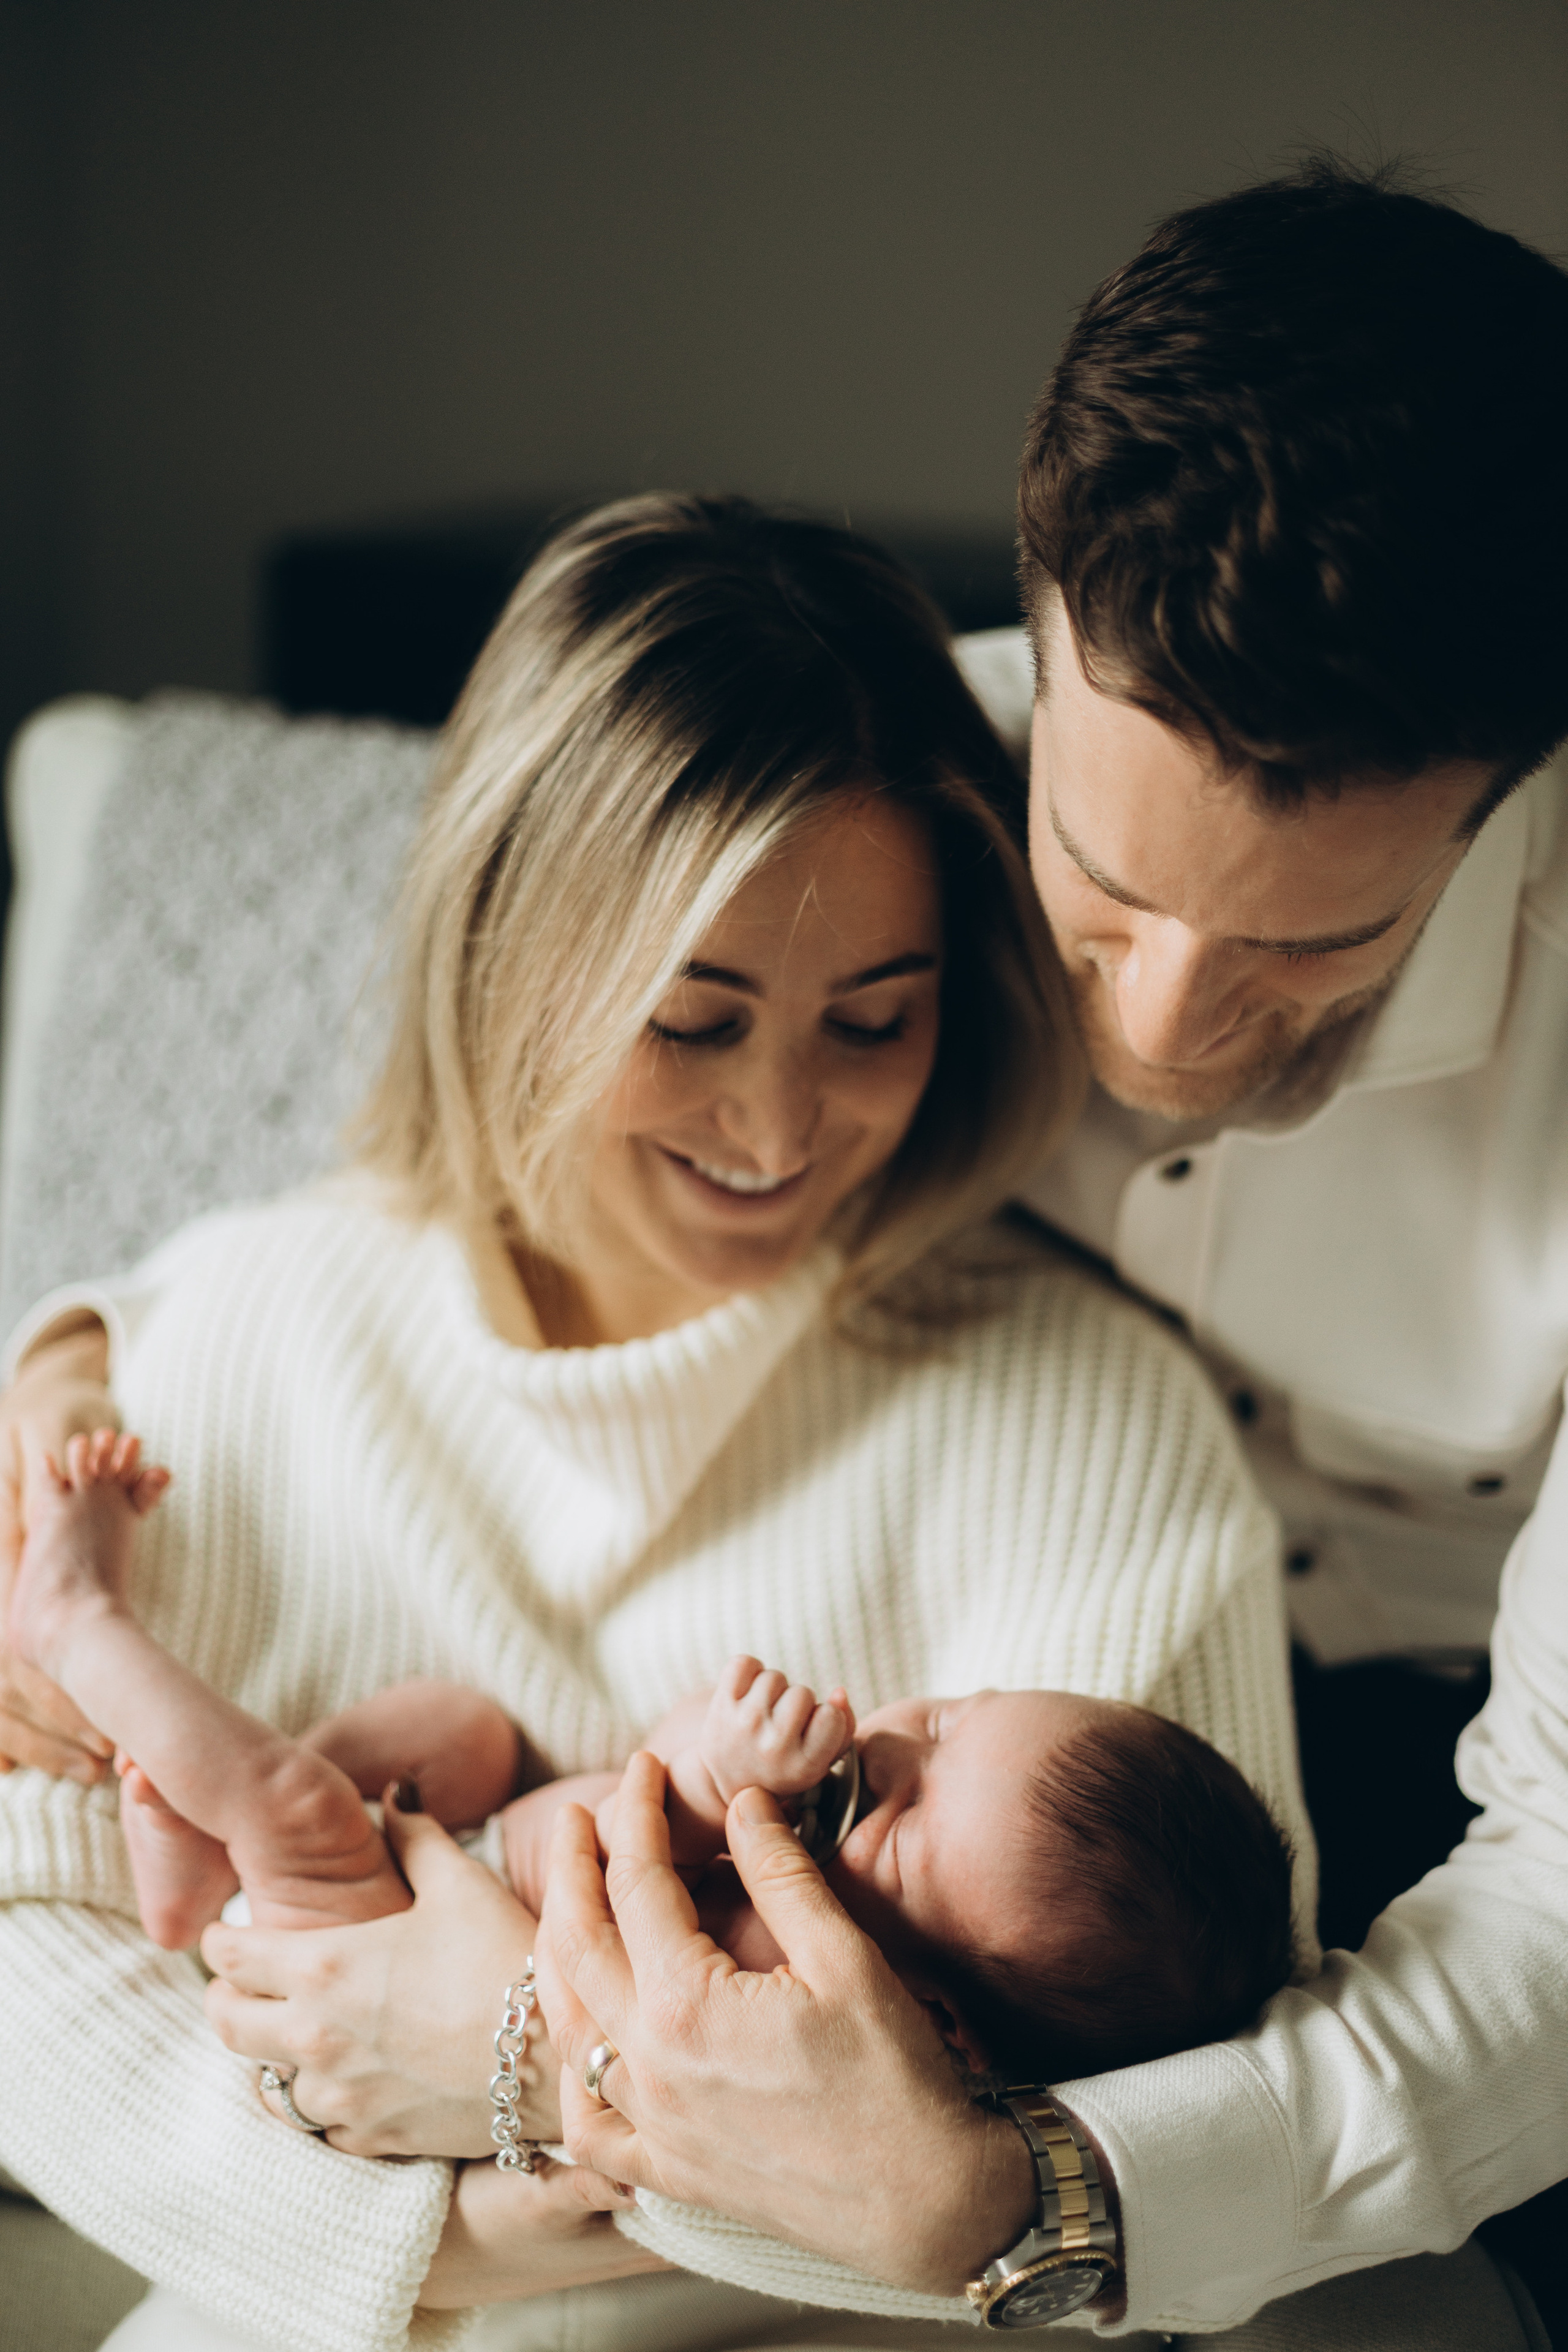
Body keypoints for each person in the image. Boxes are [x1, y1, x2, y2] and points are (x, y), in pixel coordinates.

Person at [0, 492, 1314, 2350]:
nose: (780, 1135)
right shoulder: (226, 1340)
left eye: (875, 1019)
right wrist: (449, 2245)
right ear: (518, 961)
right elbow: (26, 1959)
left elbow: (1165, 2147)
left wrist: (538, 2081)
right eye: (693, 1024)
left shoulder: (1087, 1419)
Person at [513, 160, 1568, 2342]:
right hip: (987, 1730)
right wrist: (74, 1355)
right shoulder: (874, 778)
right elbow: (499, 1091)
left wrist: (1036, 2201)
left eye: (1318, 943)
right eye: (1099, 887)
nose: (1165, 1035)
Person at [10, 1420, 1298, 2084]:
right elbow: (641, 1783)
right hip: (462, 1840)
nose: (895, 1743)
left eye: (900, 1827)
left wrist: (709, 1789)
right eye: (955, 1715)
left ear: (939, 2020)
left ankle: (77, 1620)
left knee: (298, 1808)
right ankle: (192, 1849)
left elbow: (652, 1872)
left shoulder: (795, 1994)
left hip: (367, 1941)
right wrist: (710, 1757)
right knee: (458, 1726)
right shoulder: (819, 1818)